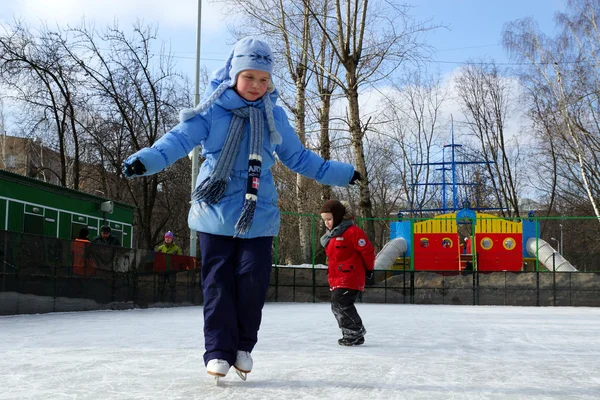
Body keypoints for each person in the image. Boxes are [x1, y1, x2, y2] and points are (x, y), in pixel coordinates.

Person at [122, 37, 360, 379]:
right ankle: (218, 350)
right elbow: (177, 140)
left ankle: (243, 346)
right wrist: (145, 161)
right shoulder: (211, 110)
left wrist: (343, 172)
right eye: (250, 77)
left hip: (258, 215)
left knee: (252, 281)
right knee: (218, 283)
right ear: (234, 75)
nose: (257, 86)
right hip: (214, 210)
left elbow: (299, 158)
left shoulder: (273, 115)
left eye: (264, 80)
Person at [319, 199, 375, 346]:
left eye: (329, 219)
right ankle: (350, 333)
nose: (327, 223)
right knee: (336, 304)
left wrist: (369, 269)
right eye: (324, 220)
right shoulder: (330, 237)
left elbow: (367, 251)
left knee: (340, 302)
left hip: (351, 276)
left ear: (337, 216)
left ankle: (355, 331)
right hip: (337, 277)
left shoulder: (353, 232)